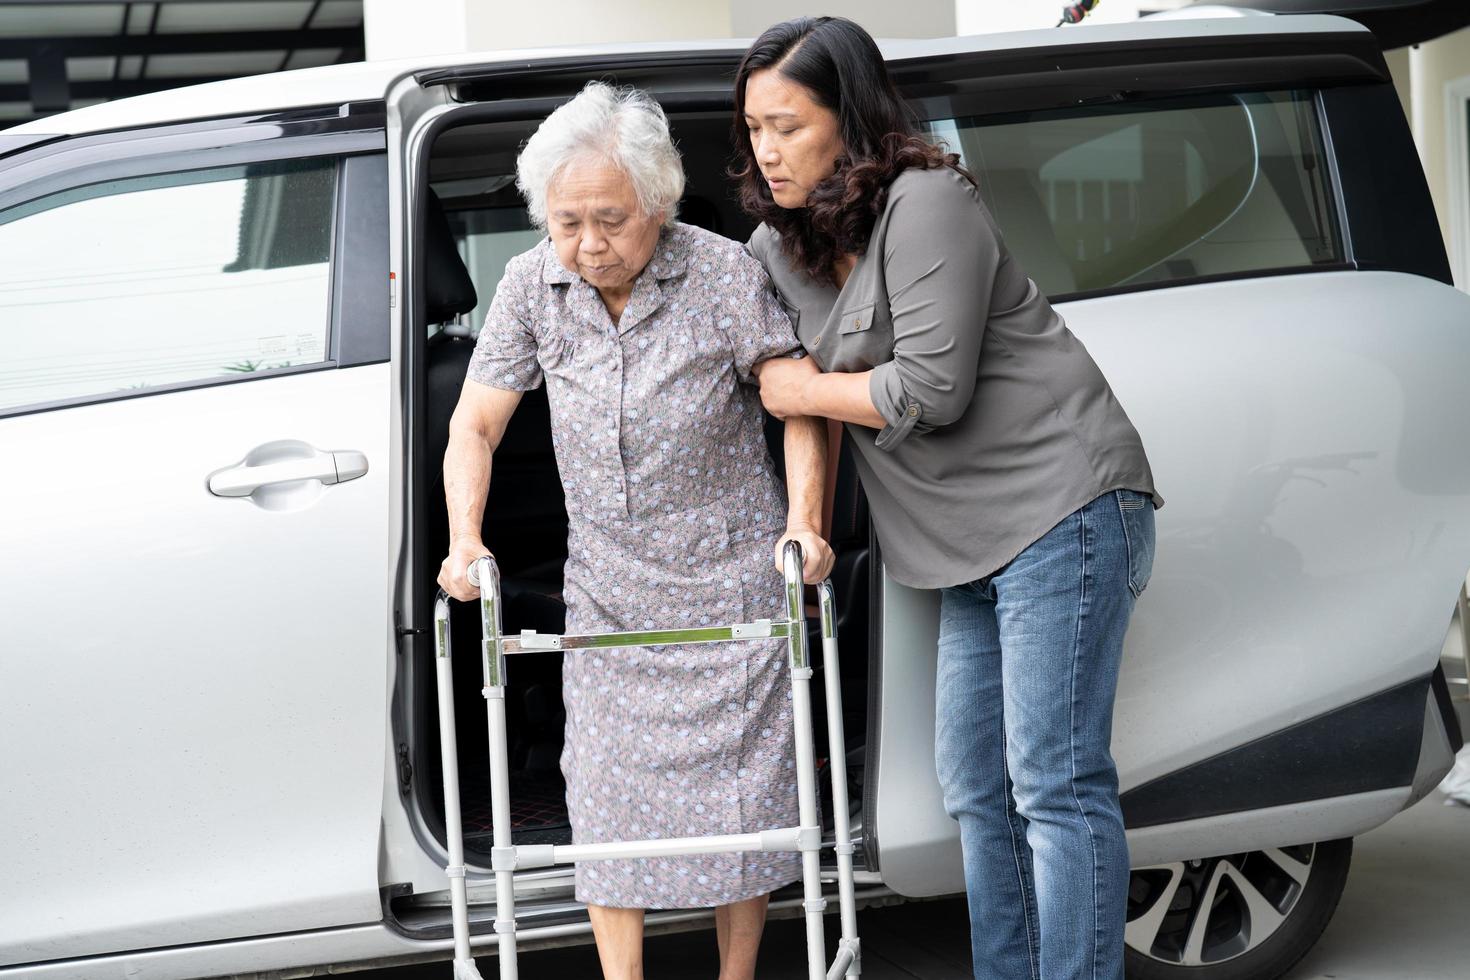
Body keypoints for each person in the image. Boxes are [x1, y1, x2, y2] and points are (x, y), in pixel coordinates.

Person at [734, 17, 1161, 980]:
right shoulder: (773, 247)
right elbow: (796, 397)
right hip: (956, 544)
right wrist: (804, 520)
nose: (766, 147)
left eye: (789, 124)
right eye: (754, 126)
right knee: (977, 790)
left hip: (1062, 504)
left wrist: (804, 389)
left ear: (849, 118)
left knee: (1055, 781)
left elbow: (928, 389)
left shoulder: (926, 203)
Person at [437, 81, 834, 980]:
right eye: (566, 221)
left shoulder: (722, 271)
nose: (586, 244)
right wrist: (467, 538)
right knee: (607, 803)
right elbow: (477, 424)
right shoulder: (535, 283)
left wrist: (805, 526)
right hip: (608, 593)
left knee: (744, 809)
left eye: (609, 220)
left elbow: (801, 402)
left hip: (729, 578)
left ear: (657, 202)